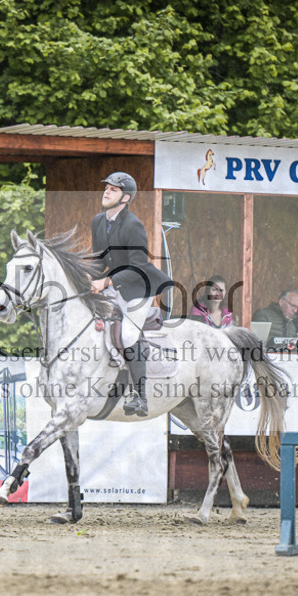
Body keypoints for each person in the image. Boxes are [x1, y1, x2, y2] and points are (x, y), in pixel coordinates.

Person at [90, 171, 172, 417]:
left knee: (127, 336)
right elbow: (100, 260)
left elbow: (137, 266)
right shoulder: (98, 221)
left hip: (138, 288)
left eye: (113, 190)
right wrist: (87, 276)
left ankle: (141, 396)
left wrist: (106, 281)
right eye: (106, 188)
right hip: (115, 286)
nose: (106, 192)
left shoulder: (133, 225)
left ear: (125, 198)